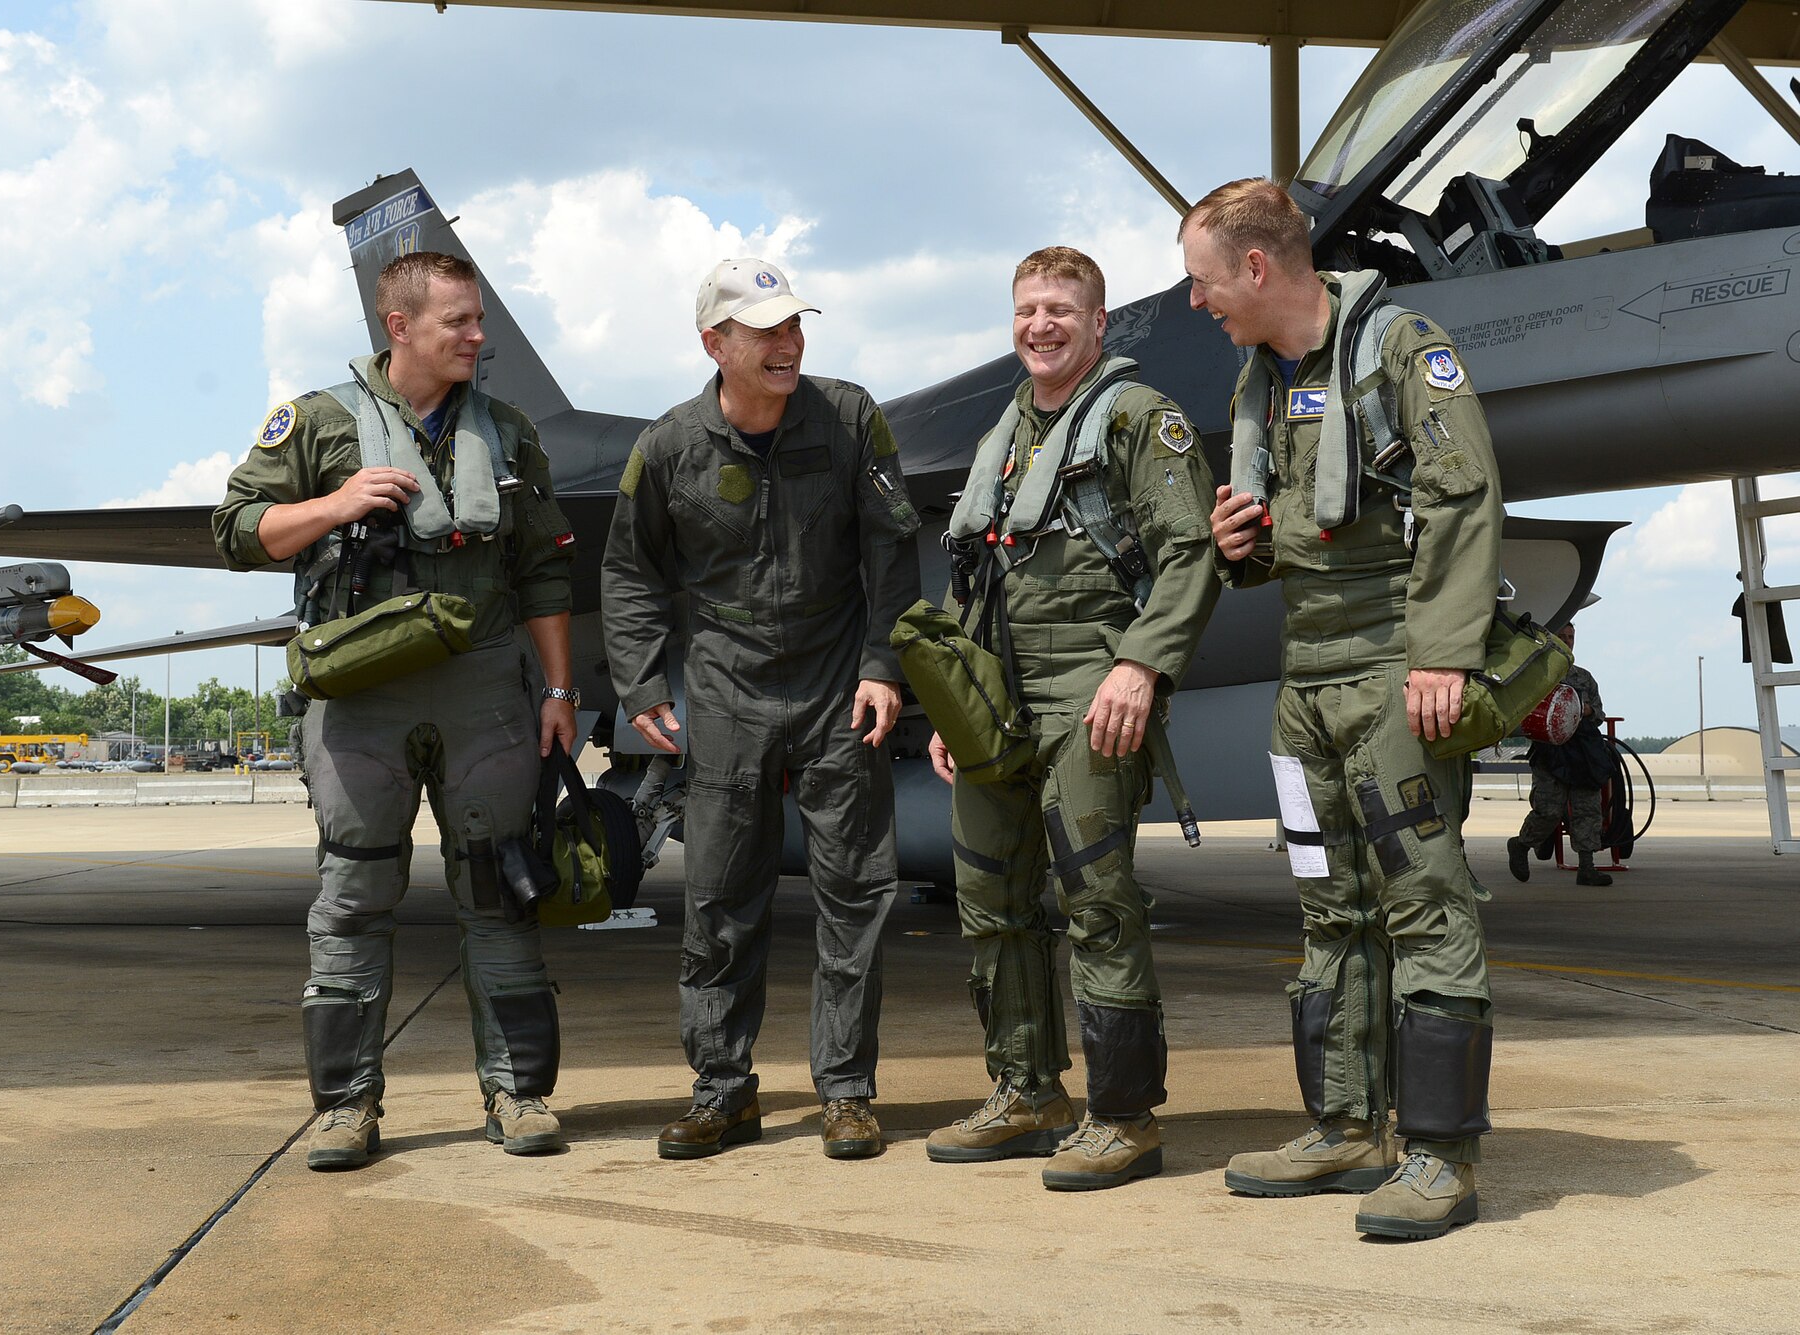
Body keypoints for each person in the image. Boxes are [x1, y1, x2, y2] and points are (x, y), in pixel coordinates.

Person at [213, 251, 578, 1171]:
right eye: (459, 320)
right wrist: (334, 504)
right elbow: (235, 532)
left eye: (479, 318)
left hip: (485, 692)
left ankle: (518, 1092)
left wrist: (562, 691)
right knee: (351, 897)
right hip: (360, 694)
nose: (477, 335)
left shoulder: (509, 431)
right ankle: (346, 1107)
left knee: (500, 894)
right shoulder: (320, 422)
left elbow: (542, 570)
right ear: (399, 327)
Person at [1188, 178, 1502, 1239]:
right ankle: (1342, 1125)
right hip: (1305, 682)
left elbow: (1461, 493)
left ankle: (1439, 1155)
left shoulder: (1402, 349)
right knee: (1326, 901)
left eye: (1202, 281)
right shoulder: (1257, 383)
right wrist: (1236, 549)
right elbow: (1287, 527)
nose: (1197, 303)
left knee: (1421, 900)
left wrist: (1442, 654)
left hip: (1387, 668)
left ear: (1256, 268)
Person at [601, 259, 922, 1160]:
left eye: (795, 327)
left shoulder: (850, 417)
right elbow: (628, 572)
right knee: (718, 897)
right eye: (766, 331)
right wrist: (640, 682)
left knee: (855, 891)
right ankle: (721, 1089)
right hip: (727, 689)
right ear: (716, 344)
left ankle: (848, 1091)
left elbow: (892, 552)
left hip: (835, 686)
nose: (789, 344)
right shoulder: (669, 448)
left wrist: (884, 663)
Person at [923, 247, 1220, 1190]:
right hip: (1001, 702)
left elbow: (1189, 558)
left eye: (1060, 309)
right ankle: (1026, 1090)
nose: (1039, 325)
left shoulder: (1140, 420)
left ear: (1099, 324)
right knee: (989, 900)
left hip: (1092, 691)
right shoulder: (1005, 431)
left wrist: (1141, 665)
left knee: (1096, 904)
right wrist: (955, 704)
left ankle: (1123, 1116)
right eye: (1026, 310)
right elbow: (982, 574)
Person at [1509, 624, 1618, 886]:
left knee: (1588, 810)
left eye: (1571, 637)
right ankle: (1522, 845)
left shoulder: (1584, 678)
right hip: (1551, 752)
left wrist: (1586, 710)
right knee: (1548, 810)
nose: (1568, 641)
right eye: (1563, 637)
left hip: (1582, 752)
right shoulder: (1537, 676)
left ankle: (1587, 867)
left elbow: (1599, 714)